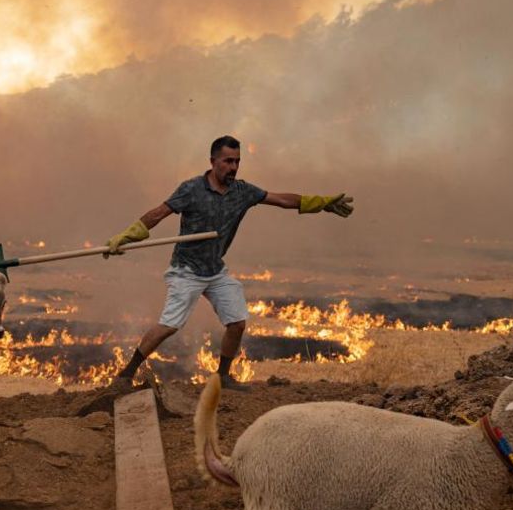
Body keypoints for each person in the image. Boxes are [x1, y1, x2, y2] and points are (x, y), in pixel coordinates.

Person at [104, 135, 354, 391]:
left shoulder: (242, 192)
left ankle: (222, 376)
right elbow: (159, 213)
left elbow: (281, 200)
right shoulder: (191, 189)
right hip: (186, 271)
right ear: (213, 162)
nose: (233, 167)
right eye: (227, 161)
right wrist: (127, 235)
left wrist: (322, 203)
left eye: (237, 162)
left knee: (237, 323)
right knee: (169, 326)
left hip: (215, 270)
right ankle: (126, 374)